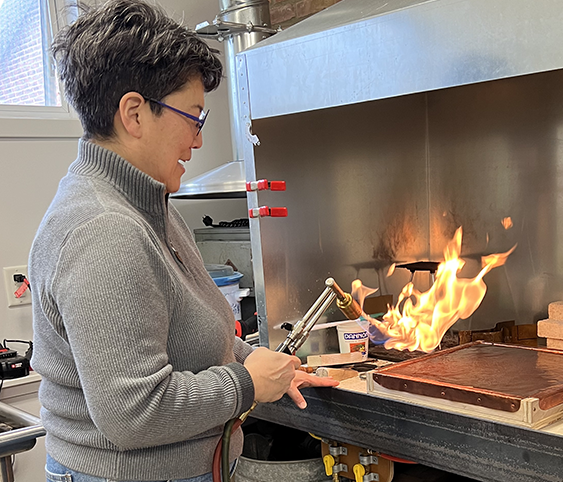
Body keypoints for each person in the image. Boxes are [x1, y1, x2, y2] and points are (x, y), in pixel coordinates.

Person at [29, 1, 338, 481]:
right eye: (193, 117)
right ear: (134, 114)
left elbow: (193, 333)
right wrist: (246, 383)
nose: (197, 140)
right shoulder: (102, 229)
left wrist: (250, 357)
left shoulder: (150, 206)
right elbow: (132, 411)